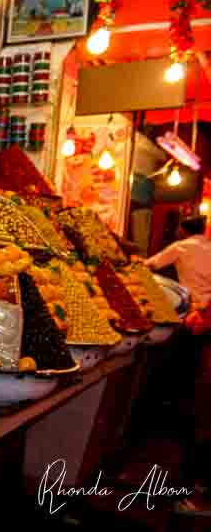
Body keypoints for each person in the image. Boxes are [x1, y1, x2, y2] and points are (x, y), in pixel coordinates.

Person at [146, 215, 211, 516]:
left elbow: (148, 265)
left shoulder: (181, 247)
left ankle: (198, 494)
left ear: (185, 230)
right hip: (200, 321)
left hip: (195, 322)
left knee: (197, 397)